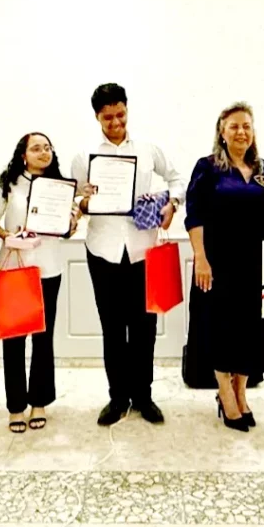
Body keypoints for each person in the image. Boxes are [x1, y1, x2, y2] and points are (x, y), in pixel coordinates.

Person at [71, 83, 186, 426]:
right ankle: (117, 397)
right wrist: (84, 201)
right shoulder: (84, 156)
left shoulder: (148, 149)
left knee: (144, 328)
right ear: (97, 117)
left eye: (120, 114)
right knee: (112, 328)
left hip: (143, 249)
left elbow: (177, 179)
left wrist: (172, 204)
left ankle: (144, 396)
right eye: (108, 117)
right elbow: (74, 200)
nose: (116, 122)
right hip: (102, 250)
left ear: (126, 109)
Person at [185, 102, 264, 432]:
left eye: (246, 126)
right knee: (220, 329)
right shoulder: (208, 167)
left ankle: (241, 391)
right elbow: (194, 215)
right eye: (234, 126)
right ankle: (225, 394)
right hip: (218, 263)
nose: (241, 132)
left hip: (256, 264)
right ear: (222, 133)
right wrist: (200, 258)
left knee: (250, 330)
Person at [0, 133, 79, 433]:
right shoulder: (8, 185)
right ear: (23, 155)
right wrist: (8, 236)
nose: (44, 152)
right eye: (36, 148)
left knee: (43, 338)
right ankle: (15, 406)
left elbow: (66, 229)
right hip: (15, 267)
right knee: (14, 340)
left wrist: (72, 222)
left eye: (48, 148)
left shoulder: (61, 187)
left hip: (48, 269)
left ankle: (39, 402)